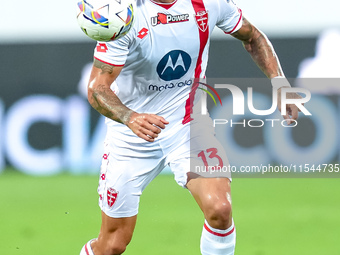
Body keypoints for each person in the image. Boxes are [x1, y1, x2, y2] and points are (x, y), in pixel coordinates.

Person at [80, 0, 301, 254]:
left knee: (220, 208)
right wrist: (129, 117)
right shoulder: (124, 14)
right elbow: (97, 88)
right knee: (112, 245)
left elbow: (253, 37)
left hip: (187, 125)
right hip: (131, 136)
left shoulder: (209, 3)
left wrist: (280, 82)